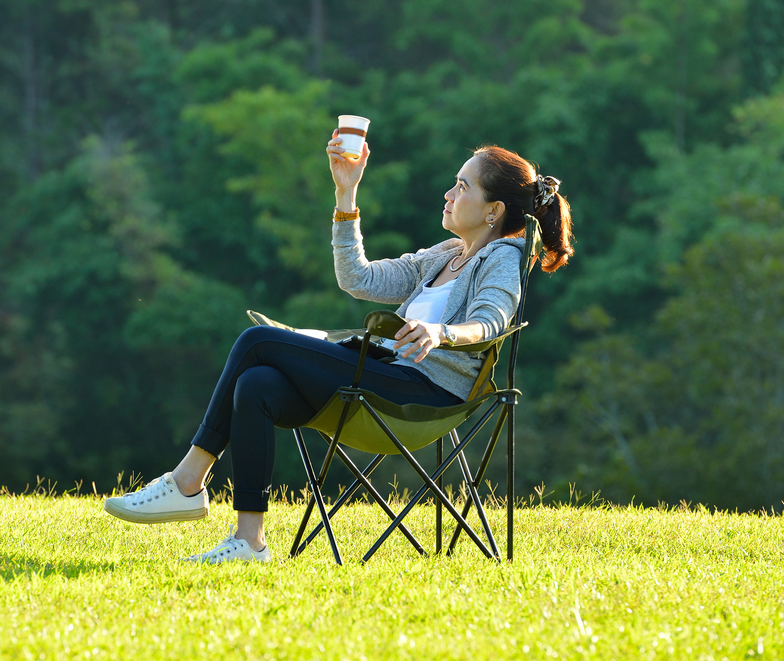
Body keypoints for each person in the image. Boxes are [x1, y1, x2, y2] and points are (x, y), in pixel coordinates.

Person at [103, 130, 573, 563]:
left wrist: (441, 333)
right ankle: (249, 541)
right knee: (257, 383)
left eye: (463, 186)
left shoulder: (504, 259)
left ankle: (188, 480)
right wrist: (345, 193)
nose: (449, 194)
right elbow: (358, 279)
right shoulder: (444, 255)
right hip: (384, 375)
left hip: (424, 396)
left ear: (494, 210)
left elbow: (491, 321)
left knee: (256, 341)